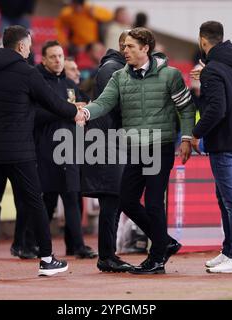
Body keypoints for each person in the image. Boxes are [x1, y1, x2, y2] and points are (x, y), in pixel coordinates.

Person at [0, 25, 86, 278]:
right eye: (29, 45)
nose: (30, 50)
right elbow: (52, 101)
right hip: (20, 152)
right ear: (20, 46)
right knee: (34, 203)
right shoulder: (28, 73)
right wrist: (76, 112)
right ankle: (47, 259)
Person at [79, 28, 195, 274]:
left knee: (153, 202)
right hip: (134, 147)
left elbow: (186, 108)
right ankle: (164, 242)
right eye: (124, 47)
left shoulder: (170, 75)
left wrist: (186, 137)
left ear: (145, 48)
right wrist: (86, 112)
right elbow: (104, 102)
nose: (125, 51)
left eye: (130, 46)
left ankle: (157, 259)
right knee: (128, 200)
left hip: (159, 146)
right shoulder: (119, 77)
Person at [190, 21, 232, 274]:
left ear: (203, 40)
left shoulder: (213, 69)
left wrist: (195, 133)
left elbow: (216, 109)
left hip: (223, 143)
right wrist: (205, 75)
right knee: (225, 199)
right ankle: (229, 251)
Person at [34, 40, 96, 259]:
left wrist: (82, 110)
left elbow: (83, 106)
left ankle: (77, 245)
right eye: (53, 56)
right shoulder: (38, 82)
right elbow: (35, 115)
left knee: (72, 196)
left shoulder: (69, 84)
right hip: (47, 150)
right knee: (47, 199)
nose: (58, 60)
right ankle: (34, 244)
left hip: (70, 147)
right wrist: (69, 111)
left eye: (60, 56)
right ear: (43, 59)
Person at [79, 30, 132, 272]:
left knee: (115, 200)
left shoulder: (115, 68)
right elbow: (122, 108)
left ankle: (109, 254)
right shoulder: (113, 69)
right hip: (107, 144)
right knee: (111, 200)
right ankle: (107, 256)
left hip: (110, 142)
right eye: (133, 45)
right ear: (123, 46)